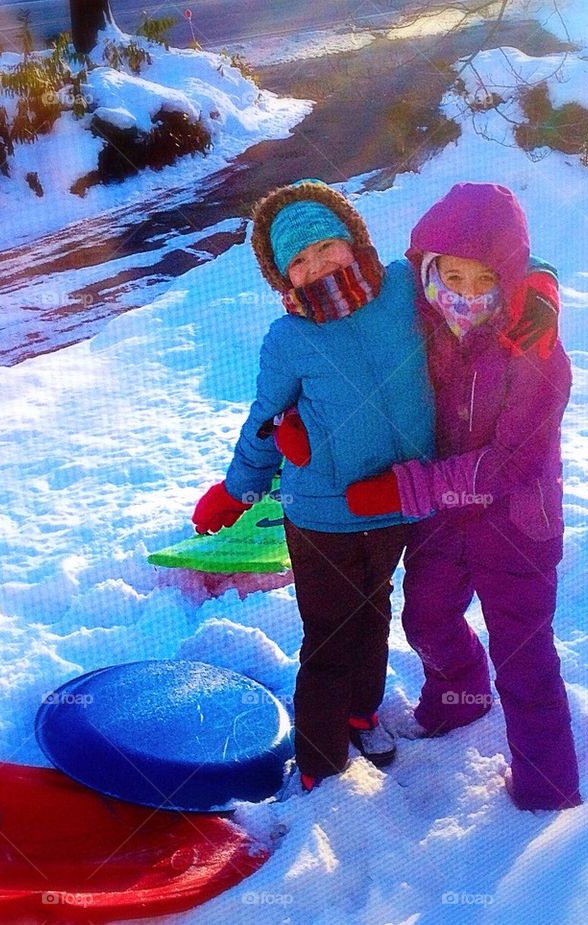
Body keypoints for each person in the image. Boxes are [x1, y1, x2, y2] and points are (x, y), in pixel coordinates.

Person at [342, 182, 582, 810]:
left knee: (524, 657)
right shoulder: (417, 325)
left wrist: (407, 487)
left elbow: (510, 464)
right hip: (443, 527)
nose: (467, 296)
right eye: (453, 275)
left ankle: (547, 789)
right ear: (428, 269)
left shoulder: (536, 353)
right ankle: (461, 697)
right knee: (426, 617)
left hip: (516, 527)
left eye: (485, 280)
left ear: (510, 280)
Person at [191, 179, 435, 792]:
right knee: (327, 635)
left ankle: (364, 710)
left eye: (326, 246)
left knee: (376, 613)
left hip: (395, 500)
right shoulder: (290, 338)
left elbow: (476, 260)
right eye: (298, 261)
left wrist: (535, 280)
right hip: (320, 515)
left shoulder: (406, 290)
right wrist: (237, 488)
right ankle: (321, 762)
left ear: (355, 240)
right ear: (283, 279)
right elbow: (266, 421)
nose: (317, 265)